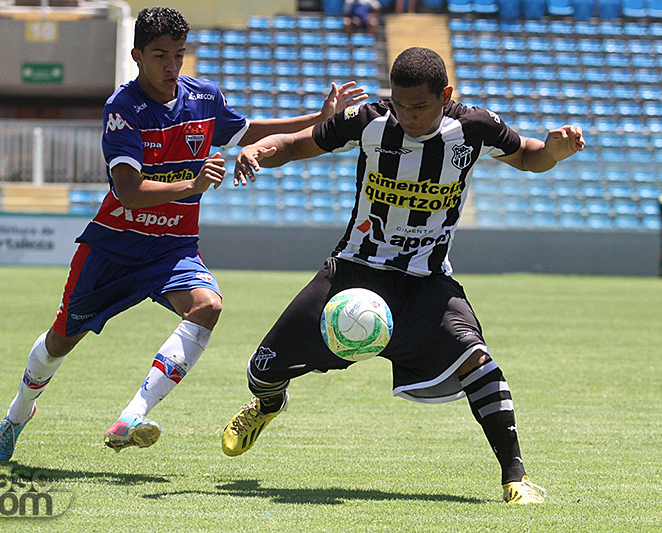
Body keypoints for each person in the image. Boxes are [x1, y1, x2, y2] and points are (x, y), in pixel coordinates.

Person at [0, 6, 366, 462]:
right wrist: (194, 184)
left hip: (173, 247)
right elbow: (127, 191)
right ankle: (19, 412)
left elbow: (250, 131)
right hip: (114, 247)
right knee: (60, 340)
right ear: (137, 56)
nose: (171, 66)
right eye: (160, 55)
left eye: (179, 55)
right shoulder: (122, 110)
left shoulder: (203, 99)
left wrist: (318, 120)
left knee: (208, 306)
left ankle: (132, 415)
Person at [221, 47, 585, 504]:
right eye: (399, 104)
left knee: (476, 359)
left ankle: (516, 477)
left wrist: (553, 150)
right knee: (262, 370)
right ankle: (268, 405)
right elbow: (297, 144)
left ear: (445, 95)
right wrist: (258, 149)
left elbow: (529, 156)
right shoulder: (370, 120)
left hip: (425, 280)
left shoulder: (474, 128)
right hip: (354, 269)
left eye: (419, 106)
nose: (407, 116)